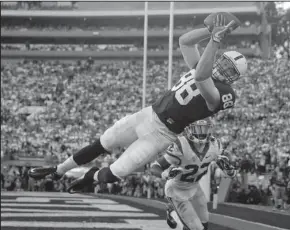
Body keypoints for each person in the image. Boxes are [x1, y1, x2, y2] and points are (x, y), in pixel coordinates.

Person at [29, 14, 247, 193]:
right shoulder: (203, 63)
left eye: (230, 71)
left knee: (117, 172)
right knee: (103, 143)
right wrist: (209, 32)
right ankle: (58, 170)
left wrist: (215, 41)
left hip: (162, 134)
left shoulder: (223, 94)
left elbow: (201, 77)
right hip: (148, 115)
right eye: (224, 63)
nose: (223, 69)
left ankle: (92, 176)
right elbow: (185, 41)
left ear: (233, 79)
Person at [150, 119, 236, 230]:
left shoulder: (215, 145)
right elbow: (155, 167)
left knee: (204, 226)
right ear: (189, 130)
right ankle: (172, 212)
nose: (201, 134)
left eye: (204, 129)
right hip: (176, 189)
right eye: (198, 129)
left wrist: (229, 170)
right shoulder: (180, 145)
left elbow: (230, 172)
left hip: (195, 187)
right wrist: (164, 175)